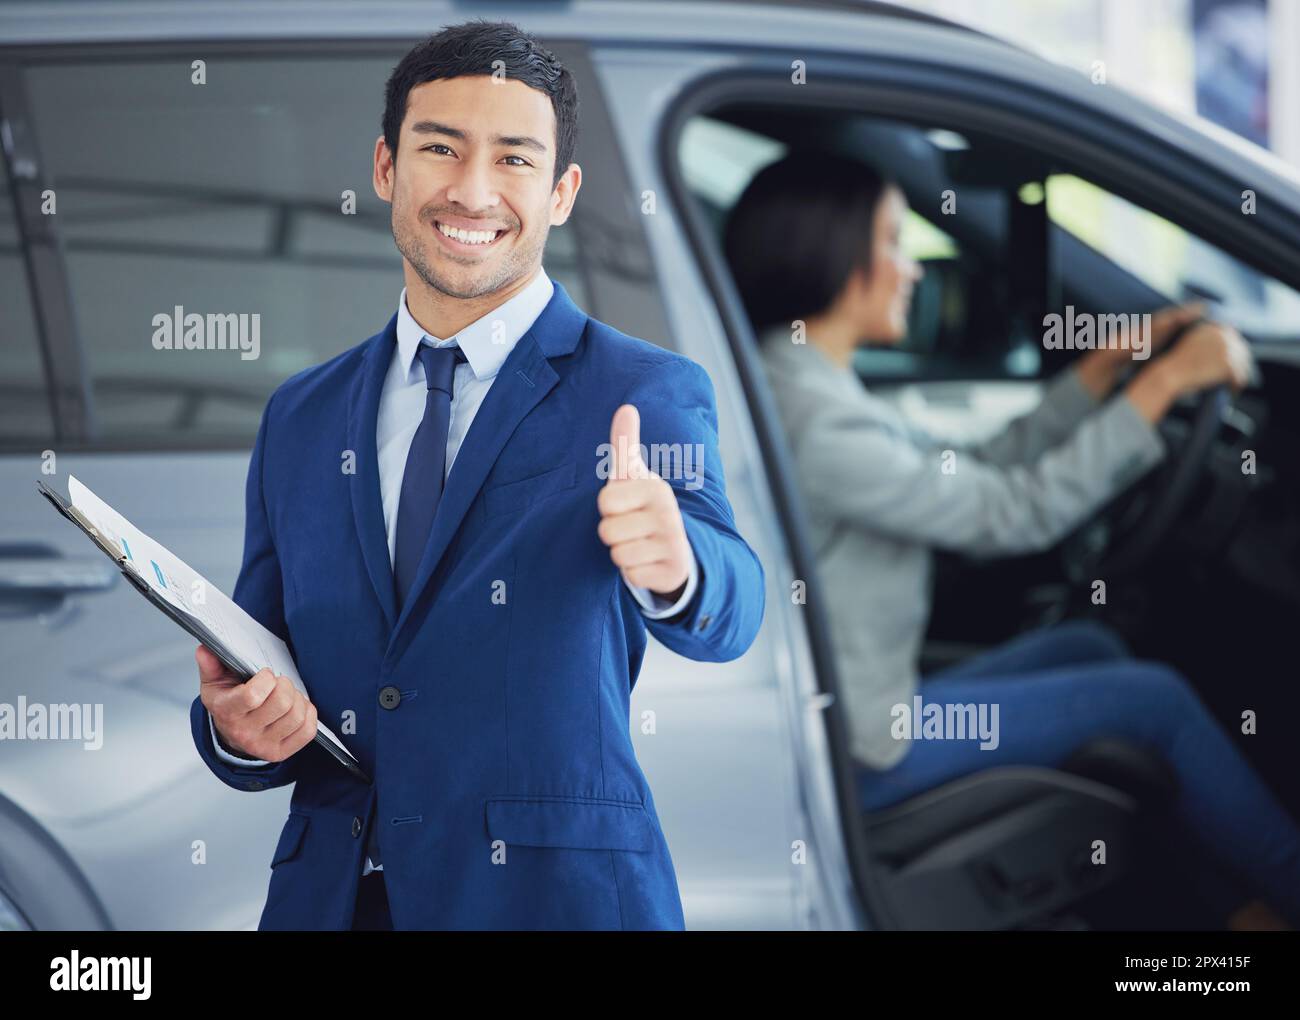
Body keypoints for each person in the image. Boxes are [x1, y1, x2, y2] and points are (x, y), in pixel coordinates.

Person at [189, 20, 765, 931]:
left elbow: (737, 609)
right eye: (440, 149)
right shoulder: (300, 416)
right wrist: (238, 729)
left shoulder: (641, 389)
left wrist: (677, 565)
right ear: (386, 168)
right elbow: (258, 660)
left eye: (514, 159)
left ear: (562, 192)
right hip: (335, 902)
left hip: (549, 903)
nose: (471, 190)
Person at [726, 150, 1299, 928]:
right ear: (832, 255)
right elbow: (1012, 515)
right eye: (893, 243)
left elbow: (969, 471)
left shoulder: (801, 377)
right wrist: (1164, 387)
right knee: (1155, 701)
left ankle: (1233, 910)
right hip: (864, 750)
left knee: (1092, 645)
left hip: (859, 707)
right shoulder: (817, 416)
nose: (914, 269)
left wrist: (1098, 377)